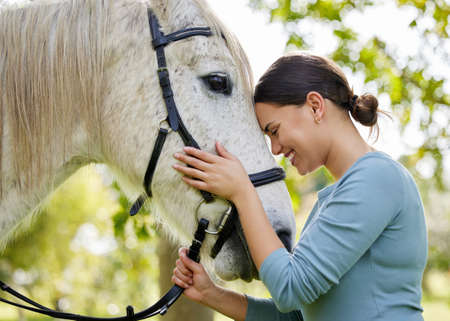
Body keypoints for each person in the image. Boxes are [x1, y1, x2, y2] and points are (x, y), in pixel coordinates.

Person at [170, 52, 428, 321]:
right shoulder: (333, 200)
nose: (276, 148)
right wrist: (212, 294)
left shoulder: (377, 177)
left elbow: (290, 289)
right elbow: (297, 315)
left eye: (274, 130)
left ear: (315, 106)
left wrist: (243, 192)